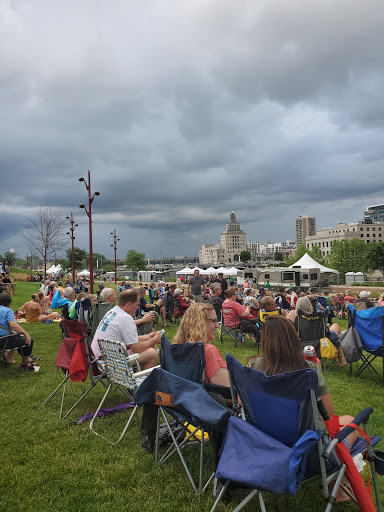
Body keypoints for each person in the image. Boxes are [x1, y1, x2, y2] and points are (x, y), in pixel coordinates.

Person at [247, 315, 359, 503]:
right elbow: (329, 414)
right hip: (310, 451)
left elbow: (245, 405)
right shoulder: (307, 369)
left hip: (268, 443)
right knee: (351, 422)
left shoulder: (254, 366)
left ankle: (336, 482)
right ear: (293, 339)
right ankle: (335, 486)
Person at [91, 289, 161, 370]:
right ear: (129, 304)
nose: (137, 307)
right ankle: (141, 381)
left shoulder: (113, 311)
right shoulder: (126, 318)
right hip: (107, 363)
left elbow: (126, 338)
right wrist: (154, 340)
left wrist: (147, 337)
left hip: (97, 359)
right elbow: (137, 349)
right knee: (152, 354)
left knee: (146, 347)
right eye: (137, 305)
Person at [173, 303, 229, 387]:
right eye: (213, 321)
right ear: (200, 323)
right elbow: (229, 390)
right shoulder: (207, 351)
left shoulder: (176, 349)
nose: (217, 326)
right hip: (209, 398)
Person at [286, 296, 347, 366]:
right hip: (321, 344)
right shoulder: (318, 316)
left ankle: (341, 360)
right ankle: (342, 361)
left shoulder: (298, 318)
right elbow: (326, 331)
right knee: (336, 329)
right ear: (309, 305)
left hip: (304, 344)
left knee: (336, 333)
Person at [0, 293, 39, 372]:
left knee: (16, 337)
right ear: (9, 304)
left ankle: (12, 358)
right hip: (2, 341)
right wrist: (26, 333)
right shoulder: (7, 311)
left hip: (2, 339)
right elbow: (13, 325)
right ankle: (25, 362)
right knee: (28, 340)